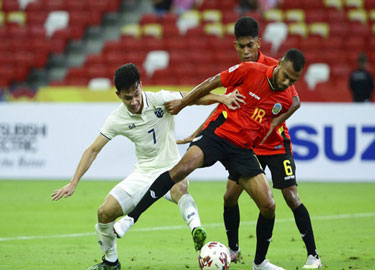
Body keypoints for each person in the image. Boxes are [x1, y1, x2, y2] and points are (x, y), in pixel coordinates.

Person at [114, 49, 306, 270]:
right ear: (279, 63)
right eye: (285, 75)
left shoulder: (286, 96)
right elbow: (211, 82)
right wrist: (184, 102)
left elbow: (293, 103)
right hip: (219, 133)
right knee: (181, 169)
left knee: (269, 205)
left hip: (242, 150)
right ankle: (131, 218)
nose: (286, 82)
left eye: (293, 79)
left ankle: (260, 262)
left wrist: (269, 127)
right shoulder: (250, 70)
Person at [51, 63, 245, 270]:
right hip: (143, 173)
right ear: (118, 95)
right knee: (104, 213)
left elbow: (193, 98)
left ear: (141, 86)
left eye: (136, 93)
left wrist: (221, 98)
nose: (134, 101)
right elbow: (93, 150)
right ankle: (110, 262)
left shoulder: (159, 99)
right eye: (127, 98)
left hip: (171, 168)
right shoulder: (117, 118)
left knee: (180, 187)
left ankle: (196, 229)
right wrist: (74, 182)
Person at [178, 16, 322, 269]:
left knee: (290, 196)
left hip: (276, 145)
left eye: (250, 46)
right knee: (230, 197)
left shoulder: (276, 67)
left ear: (258, 43)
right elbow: (223, 108)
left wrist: (276, 122)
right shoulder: (243, 71)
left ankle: (313, 255)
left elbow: (295, 101)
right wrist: (197, 132)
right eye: (241, 46)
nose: (246, 51)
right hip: (248, 146)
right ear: (236, 45)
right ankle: (233, 249)